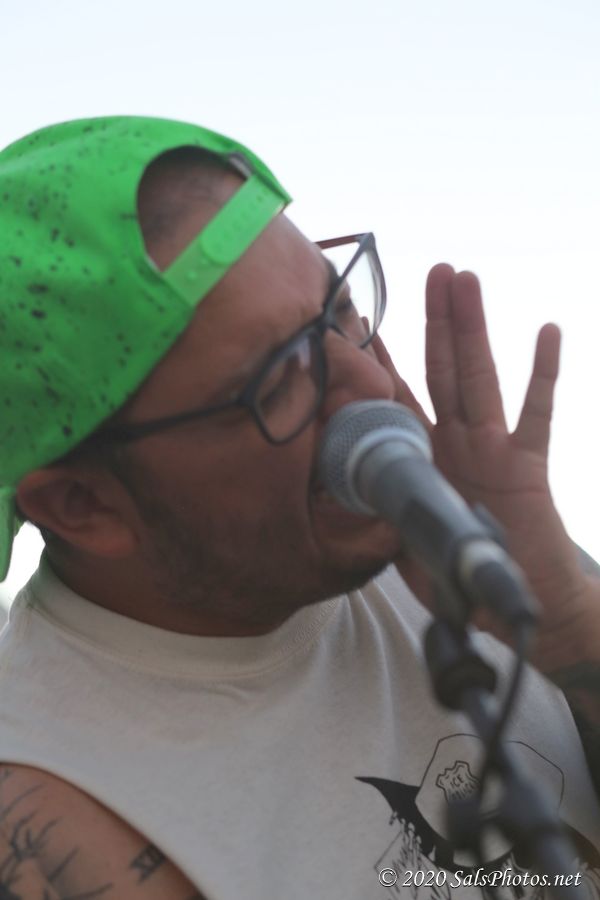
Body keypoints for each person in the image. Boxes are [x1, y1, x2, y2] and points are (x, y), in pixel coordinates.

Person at [0, 115, 598, 900]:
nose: (374, 387)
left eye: (340, 311)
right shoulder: (60, 809)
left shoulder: (441, 542)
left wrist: (566, 622)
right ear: (84, 504)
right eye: (281, 378)